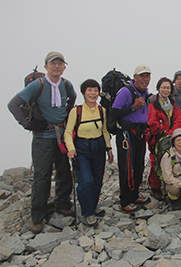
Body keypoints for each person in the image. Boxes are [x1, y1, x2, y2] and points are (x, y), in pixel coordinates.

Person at [8, 52, 77, 234]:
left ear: (64, 67)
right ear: (46, 66)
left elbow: (72, 99)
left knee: (64, 171)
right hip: (43, 137)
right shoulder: (36, 85)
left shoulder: (66, 84)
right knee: (42, 176)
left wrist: (66, 120)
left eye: (60, 64)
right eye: (53, 63)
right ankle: (37, 216)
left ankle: (62, 204)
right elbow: (13, 104)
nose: (56, 66)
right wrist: (27, 123)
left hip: (62, 136)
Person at [64, 79, 114, 227]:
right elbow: (68, 132)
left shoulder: (101, 110)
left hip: (99, 147)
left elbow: (104, 130)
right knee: (86, 181)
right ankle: (88, 213)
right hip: (82, 148)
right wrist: (71, 148)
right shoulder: (76, 111)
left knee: (97, 180)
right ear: (84, 93)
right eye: (89, 90)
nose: (93, 93)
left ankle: (92, 206)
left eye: (95, 90)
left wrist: (109, 148)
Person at [110, 64, 152, 214]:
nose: (145, 79)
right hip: (126, 135)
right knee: (127, 167)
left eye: (147, 76)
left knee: (139, 165)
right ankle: (125, 200)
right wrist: (133, 107)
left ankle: (134, 195)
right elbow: (114, 112)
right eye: (142, 76)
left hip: (139, 134)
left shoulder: (145, 92)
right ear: (135, 77)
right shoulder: (126, 92)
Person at [148, 77, 181, 200]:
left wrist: (172, 132)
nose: (166, 90)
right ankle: (155, 187)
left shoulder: (171, 102)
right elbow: (152, 121)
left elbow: (178, 118)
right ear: (158, 88)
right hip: (157, 138)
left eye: (168, 87)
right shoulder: (153, 102)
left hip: (169, 137)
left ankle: (168, 188)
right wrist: (166, 133)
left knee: (169, 162)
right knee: (156, 162)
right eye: (163, 87)